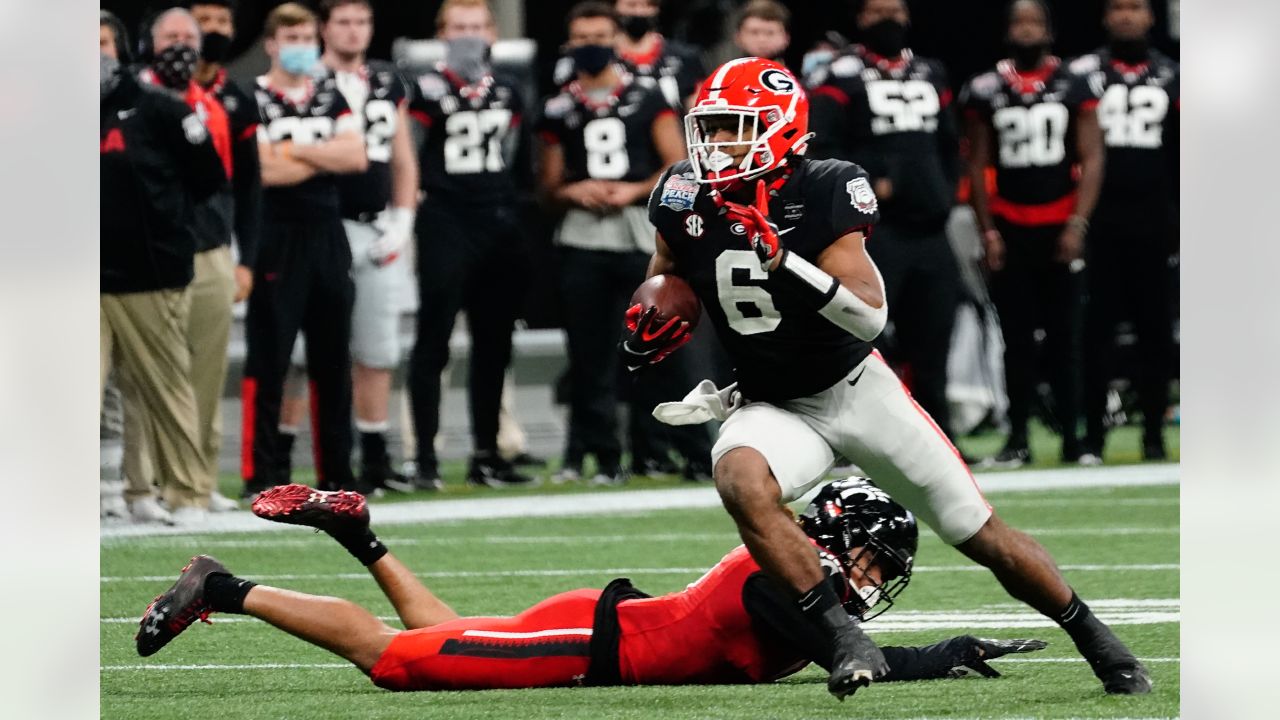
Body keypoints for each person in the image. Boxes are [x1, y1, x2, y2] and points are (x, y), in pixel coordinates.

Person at [627, 57, 1150, 696]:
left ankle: (1096, 637)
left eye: (736, 127)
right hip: (773, 400)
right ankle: (846, 637)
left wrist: (783, 258)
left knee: (978, 533)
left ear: (781, 128)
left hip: (854, 388)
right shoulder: (683, 193)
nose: (716, 144)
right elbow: (668, 266)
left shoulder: (826, 186)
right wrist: (655, 306)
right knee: (739, 479)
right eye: (710, 128)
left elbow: (869, 316)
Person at [135, 477, 1049, 691]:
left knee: (442, 639)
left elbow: (856, 650)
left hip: (599, 628)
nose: (871, 579)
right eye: (873, 560)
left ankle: (360, 536)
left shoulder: (793, 575)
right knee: (397, 664)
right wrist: (946, 655)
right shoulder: (789, 579)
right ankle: (224, 589)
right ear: (834, 539)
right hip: (591, 643)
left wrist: (955, 651)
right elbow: (853, 659)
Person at [538, 2, 705, 485]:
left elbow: (678, 164)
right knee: (590, 354)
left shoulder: (648, 95)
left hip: (637, 231)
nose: (591, 44)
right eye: (581, 36)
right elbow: (547, 186)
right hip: (583, 236)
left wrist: (633, 191)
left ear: (616, 40)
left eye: (600, 34)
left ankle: (684, 449)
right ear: (569, 44)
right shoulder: (558, 105)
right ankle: (604, 456)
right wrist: (573, 191)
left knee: (662, 343)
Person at [117, 7, 259, 522]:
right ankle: (143, 486)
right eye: (170, 36)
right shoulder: (126, 99)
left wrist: (246, 255)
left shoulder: (224, 100)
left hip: (208, 250)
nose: (180, 44)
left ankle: (197, 484)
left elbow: (244, 184)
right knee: (146, 378)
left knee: (204, 373)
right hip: (148, 258)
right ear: (149, 43)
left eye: (188, 37)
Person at [806, 0, 964, 445]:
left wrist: (941, 192)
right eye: (876, 11)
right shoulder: (838, 74)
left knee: (934, 340)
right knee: (862, 342)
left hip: (931, 229)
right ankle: (858, 440)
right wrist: (871, 183)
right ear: (859, 19)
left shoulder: (931, 72)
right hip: (872, 232)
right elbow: (819, 147)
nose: (887, 19)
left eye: (893, 9)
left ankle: (938, 439)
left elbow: (951, 145)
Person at [959, 0, 1106, 468]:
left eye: (1035, 21)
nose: (1027, 30)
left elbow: (1093, 155)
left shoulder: (1074, 83)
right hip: (1011, 226)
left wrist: (1078, 223)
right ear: (1007, 31)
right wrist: (988, 230)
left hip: (1060, 224)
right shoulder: (985, 88)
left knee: (1067, 340)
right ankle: (1018, 436)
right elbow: (978, 164)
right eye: (1019, 22)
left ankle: (1073, 439)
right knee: (1016, 341)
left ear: (1049, 29)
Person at [241, 2, 367, 499]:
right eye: (291, 37)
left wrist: (292, 151)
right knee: (269, 356)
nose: (301, 47)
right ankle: (262, 472)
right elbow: (261, 171)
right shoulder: (250, 96)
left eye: (307, 37)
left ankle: (336, 471)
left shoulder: (329, 93)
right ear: (271, 43)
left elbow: (354, 156)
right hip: (275, 235)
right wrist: (322, 156)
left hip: (327, 234)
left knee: (333, 356)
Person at [406, 0, 533, 490]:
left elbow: (511, 154)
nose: (468, 36)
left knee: (494, 342)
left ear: (492, 33)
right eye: (458, 28)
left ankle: (487, 452)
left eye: (476, 27)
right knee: (433, 340)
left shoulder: (507, 88)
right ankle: (424, 458)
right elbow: (411, 154)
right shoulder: (425, 88)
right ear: (441, 34)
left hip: (496, 221)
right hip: (445, 219)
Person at [100, 50, 227, 524]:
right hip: (81, 277)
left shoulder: (160, 109)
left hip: (148, 276)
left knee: (166, 386)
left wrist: (164, 226)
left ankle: (187, 492)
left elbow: (208, 178)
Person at [1076, 0, 1179, 462]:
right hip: (1100, 222)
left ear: (1151, 16)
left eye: (1135, 7)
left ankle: (1154, 435)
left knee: (1155, 332)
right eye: (1118, 7)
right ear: (1105, 17)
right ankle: (1093, 437)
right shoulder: (1083, 75)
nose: (1127, 16)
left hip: (1155, 220)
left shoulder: (1174, 75)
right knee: (1095, 333)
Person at [610, 0, 705, 109]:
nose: (640, 12)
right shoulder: (604, 59)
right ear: (614, 7)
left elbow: (696, 109)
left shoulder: (685, 57)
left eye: (649, 5)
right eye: (631, 5)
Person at [733, 0, 791, 64]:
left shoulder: (791, 73)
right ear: (738, 37)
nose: (762, 40)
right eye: (754, 32)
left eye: (770, 33)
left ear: (786, 38)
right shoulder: (725, 72)